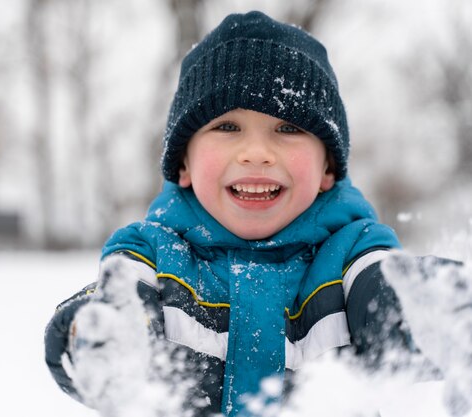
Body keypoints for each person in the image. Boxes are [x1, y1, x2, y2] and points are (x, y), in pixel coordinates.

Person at [44, 10, 457, 417]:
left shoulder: (353, 254)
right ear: (183, 164)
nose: (257, 153)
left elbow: (391, 301)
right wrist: (99, 337)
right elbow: (109, 311)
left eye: (288, 128)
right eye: (227, 127)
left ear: (328, 167)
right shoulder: (151, 255)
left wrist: (445, 310)